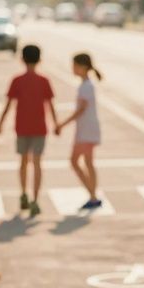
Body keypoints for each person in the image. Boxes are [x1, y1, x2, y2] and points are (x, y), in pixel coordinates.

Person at [0, 44, 57, 217]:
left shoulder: (17, 80)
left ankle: (23, 193)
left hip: (21, 127)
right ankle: (35, 200)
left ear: (22, 59)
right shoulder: (44, 81)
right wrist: (56, 124)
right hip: (40, 128)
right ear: (39, 60)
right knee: (37, 163)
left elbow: (8, 105)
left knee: (23, 162)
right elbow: (50, 105)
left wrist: (0, 124)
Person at [54, 52, 103, 209]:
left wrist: (62, 124)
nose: (72, 69)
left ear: (82, 67)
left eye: (74, 66)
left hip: (86, 131)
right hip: (87, 130)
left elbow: (80, 110)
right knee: (87, 162)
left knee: (76, 161)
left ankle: (93, 194)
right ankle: (93, 195)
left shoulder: (86, 87)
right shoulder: (86, 85)